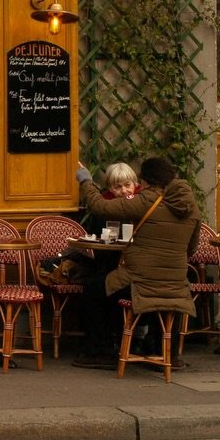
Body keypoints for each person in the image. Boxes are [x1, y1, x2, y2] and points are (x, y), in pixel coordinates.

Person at [71, 156, 198, 370]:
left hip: (140, 281)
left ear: (146, 181)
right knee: (171, 296)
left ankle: (100, 351)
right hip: (176, 284)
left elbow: (100, 206)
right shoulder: (191, 206)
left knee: (94, 290)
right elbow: (192, 249)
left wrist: (86, 180)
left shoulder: (147, 200)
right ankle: (167, 354)